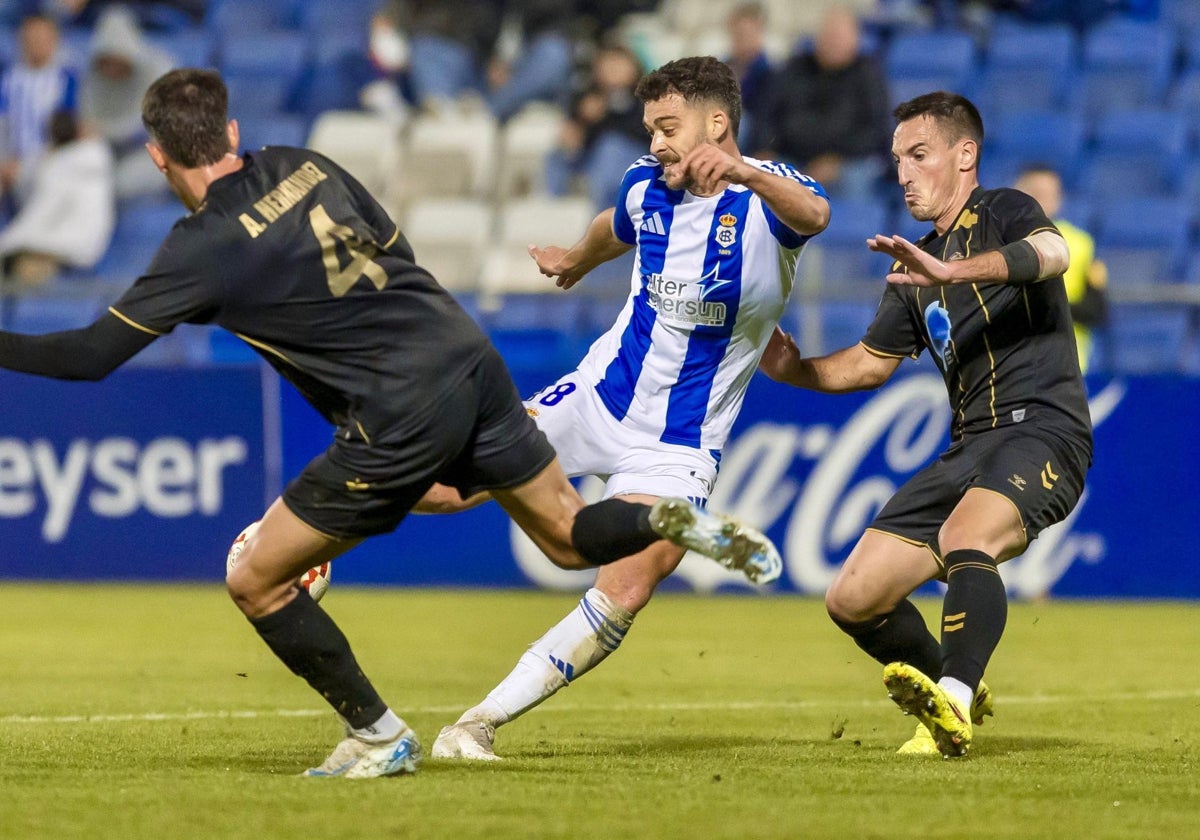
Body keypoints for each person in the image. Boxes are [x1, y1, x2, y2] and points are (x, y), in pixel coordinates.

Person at [0, 67, 782, 778]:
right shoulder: (306, 165)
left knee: (254, 574)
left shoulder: (197, 249)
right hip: (468, 357)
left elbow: (89, 356)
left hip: (398, 409)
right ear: (232, 132)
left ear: (157, 157)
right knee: (568, 535)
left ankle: (377, 734)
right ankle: (666, 519)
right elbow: (395, 246)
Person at [424, 55, 830, 762]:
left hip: (678, 442)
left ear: (718, 124)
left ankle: (475, 724)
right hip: (595, 398)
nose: (654, 143)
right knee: (453, 482)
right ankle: (311, 536)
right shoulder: (648, 186)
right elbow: (617, 223)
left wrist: (743, 172)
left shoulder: (769, 196)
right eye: (650, 128)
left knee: (629, 583)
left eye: (668, 127)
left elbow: (817, 213)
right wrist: (578, 260)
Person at [758, 91, 1092, 758]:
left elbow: (1051, 256)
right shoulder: (913, 268)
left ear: (964, 155)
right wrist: (792, 367)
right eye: (897, 160)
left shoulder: (1005, 212)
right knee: (852, 597)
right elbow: (865, 366)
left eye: (918, 155)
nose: (903, 172)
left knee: (966, 535)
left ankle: (955, 703)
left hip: (1044, 430)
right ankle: (954, 674)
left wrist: (954, 269)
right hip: (968, 447)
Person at [755, 4, 890, 201]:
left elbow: (877, 130)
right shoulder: (795, 68)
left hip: (847, 162)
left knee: (855, 179)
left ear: (855, 40)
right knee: (758, 174)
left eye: (839, 36)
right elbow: (768, 113)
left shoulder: (868, 74)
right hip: (791, 157)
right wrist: (766, 149)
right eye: (828, 35)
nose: (832, 42)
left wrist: (836, 161)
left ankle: (850, 231)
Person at [0, 109, 114, 287]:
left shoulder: (65, 166)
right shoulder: (95, 156)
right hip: (80, 248)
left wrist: (8, 242)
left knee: (24, 268)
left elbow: (40, 216)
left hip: (64, 250)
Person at [1013, 165, 1108, 373]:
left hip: (1065, 366)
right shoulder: (996, 243)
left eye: (1049, 194)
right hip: (1011, 366)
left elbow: (1097, 310)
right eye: (1034, 193)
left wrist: (1049, 306)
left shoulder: (1080, 244)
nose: (1041, 201)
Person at [78, 5, 174, 199]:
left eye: (117, 60)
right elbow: (86, 126)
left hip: (154, 154)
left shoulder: (159, 71)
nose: (112, 69)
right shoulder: (93, 79)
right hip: (107, 155)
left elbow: (151, 130)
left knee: (114, 185)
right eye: (107, 61)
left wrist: (102, 131)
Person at [545, 43, 647, 209]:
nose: (613, 68)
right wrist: (581, 124)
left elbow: (645, 133)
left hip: (632, 160)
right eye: (607, 62)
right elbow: (577, 137)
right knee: (558, 153)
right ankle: (554, 205)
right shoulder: (584, 98)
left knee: (611, 147)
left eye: (619, 62)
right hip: (590, 160)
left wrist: (605, 115)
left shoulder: (645, 100)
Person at [0, 13, 77, 200]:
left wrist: (26, 165)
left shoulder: (67, 80)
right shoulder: (8, 79)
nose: (36, 43)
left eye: (43, 38)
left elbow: (67, 130)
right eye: (31, 38)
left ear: (55, 40)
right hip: (10, 161)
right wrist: (4, 162)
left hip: (49, 160)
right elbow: (2, 124)